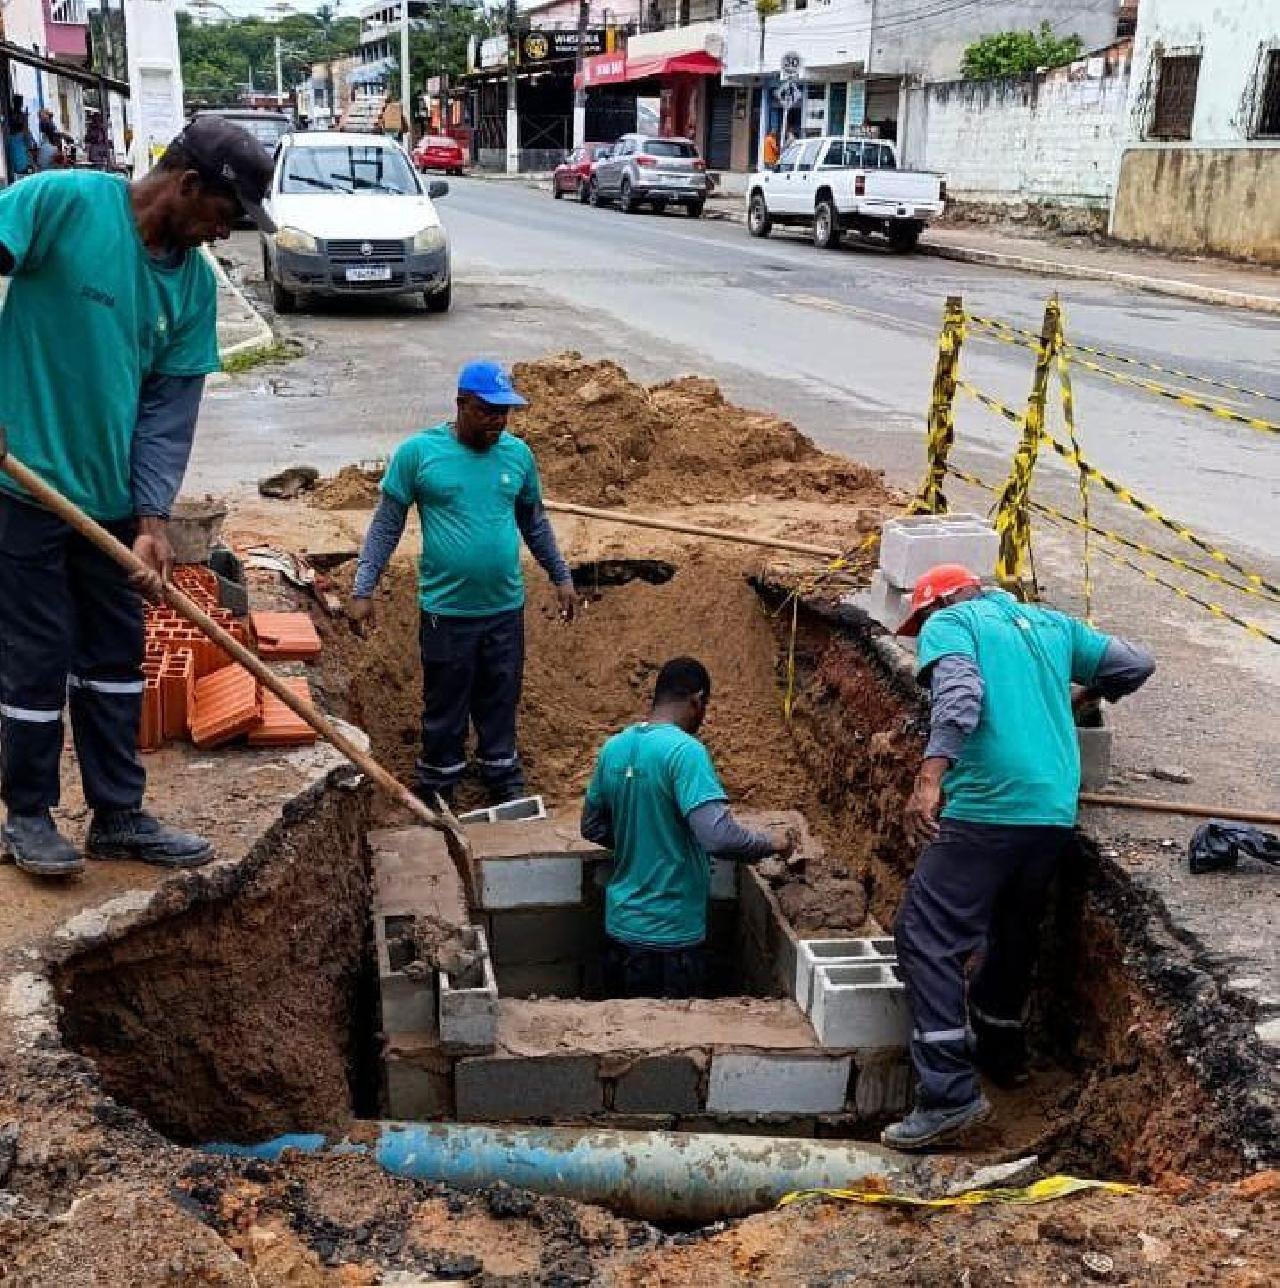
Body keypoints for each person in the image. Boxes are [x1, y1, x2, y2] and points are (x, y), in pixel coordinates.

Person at [0, 116, 276, 879]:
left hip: (111, 507)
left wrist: (152, 521)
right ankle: (26, 816)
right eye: (225, 216)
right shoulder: (59, 202)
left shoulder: (190, 286)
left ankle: (118, 814)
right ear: (189, 186)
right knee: (35, 656)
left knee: (115, 657)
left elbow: (165, 415)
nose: (223, 236)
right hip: (19, 489)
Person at [881, 565, 1155, 1151]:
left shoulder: (951, 622)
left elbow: (957, 698)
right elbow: (1134, 663)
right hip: (1052, 810)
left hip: (989, 806)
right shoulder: (1050, 624)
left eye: (922, 618)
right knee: (1011, 927)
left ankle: (950, 1093)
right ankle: (1001, 1052)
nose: (924, 630)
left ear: (941, 600)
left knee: (925, 935)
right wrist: (1079, 694)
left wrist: (930, 779)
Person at [349, 362, 578, 806]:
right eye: (487, 410)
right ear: (461, 404)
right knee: (445, 701)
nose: (498, 420)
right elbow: (386, 526)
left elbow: (534, 523)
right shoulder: (419, 454)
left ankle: (501, 772)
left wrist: (561, 576)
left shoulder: (518, 456)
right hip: (446, 611)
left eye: (504, 412)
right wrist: (363, 589)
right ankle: (438, 781)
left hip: (504, 608)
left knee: (500, 694)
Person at [581, 657, 798, 999]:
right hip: (670, 943)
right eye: (705, 707)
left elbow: (592, 827)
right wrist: (774, 841)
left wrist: (642, 838)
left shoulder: (613, 748)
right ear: (697, 701)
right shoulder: (685, 753)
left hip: (618, 934)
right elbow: (717, 837)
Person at [6, 99, 37, 179]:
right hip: (23, 164)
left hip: (14, 165)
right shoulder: (23, 134)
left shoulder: (10, 138)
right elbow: (29, 146)